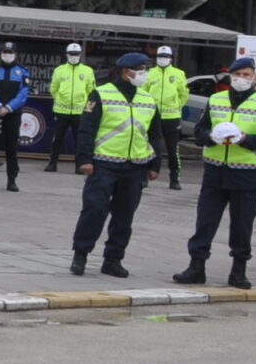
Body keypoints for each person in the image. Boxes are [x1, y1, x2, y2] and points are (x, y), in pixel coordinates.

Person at [167, 55, 256, 290]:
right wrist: (210, 137)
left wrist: (246, 139)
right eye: (237, 75)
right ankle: (196, 267)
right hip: (215, 171)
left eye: (246, 75)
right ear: (231, 76)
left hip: (246, 174)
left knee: (242, 225)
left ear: (254, 78)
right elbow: (199, 130)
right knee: (205, 221)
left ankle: (238, 271)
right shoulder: (215, 99)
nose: (241, 79)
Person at [70, 51, 159, 278]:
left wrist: (154, 165)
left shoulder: (147, 99)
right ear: (125, 71)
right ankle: (80, 254)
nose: (144, 74)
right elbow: (87, 129)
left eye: (145, 69)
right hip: (103, 164)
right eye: (140, 70)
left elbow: (154, 134)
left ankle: (113, 259)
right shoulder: (101, 94)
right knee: (95, 209)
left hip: (135, 166)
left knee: (124, 215)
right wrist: (85, 160)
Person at [0, 43, 31, 190]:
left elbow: (23, 94)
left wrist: (9, 107)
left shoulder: (22, 71)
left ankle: (12, 180)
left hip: (12, 114)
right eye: (5, 52)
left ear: (15, 54)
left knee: (11, 147)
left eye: (10, 52)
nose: (7, 55)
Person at [43, 43, 95, 171]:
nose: (74, 56)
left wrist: (88, 110)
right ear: (67, 54)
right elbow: (53, 89)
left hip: (80, 111)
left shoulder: (87, 71)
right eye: (71, 54)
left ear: (80, 55)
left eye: (76, 54)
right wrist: (60, 100)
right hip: (61, 111)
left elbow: (92, 92)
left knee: (80, 140)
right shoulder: (59, 70)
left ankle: (79, 165)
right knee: (58, 138)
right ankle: (52, 163)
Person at [142, 45, 188, 190]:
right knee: (148, 148)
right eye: (160, 57)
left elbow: (183, 94)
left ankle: (174, 179)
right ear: (156, 58)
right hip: (153, 116)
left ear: (171, 59)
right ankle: (144, 177)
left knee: (173, 150)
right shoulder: (149, 73)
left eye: (166, 57)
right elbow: (143, 93)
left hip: (172, 116)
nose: (163, 59)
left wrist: (176, 106)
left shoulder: (179, 74)